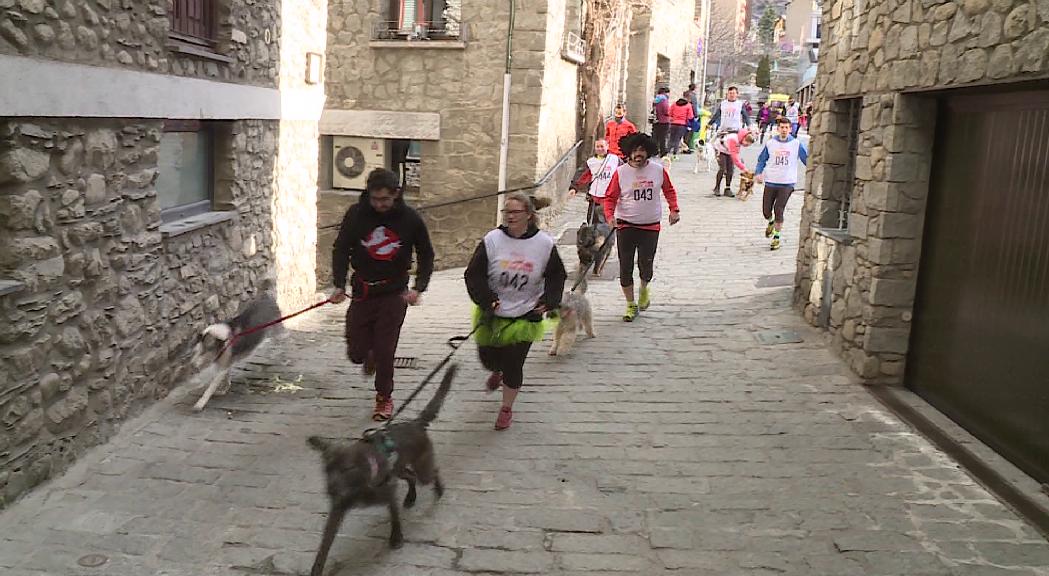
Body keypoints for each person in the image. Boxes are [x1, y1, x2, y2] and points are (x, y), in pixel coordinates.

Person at [331, 168, 435, 421]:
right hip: (363, 290)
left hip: (394, 292)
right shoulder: (356, 215)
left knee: (385, 348)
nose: (379, 205)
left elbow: (426, 253)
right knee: (355, 351)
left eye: (385, 200)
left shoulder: (410, 218)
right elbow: (341, 249)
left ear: (395, 194)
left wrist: (418, 287)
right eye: (375, 199)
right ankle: (368, 356)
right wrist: (337, 284)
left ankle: (383, 398)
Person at [465, 193, 567, 430]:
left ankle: (506, 408)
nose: (510, 216)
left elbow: (556, 275)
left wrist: (548, 300)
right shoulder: (492, 240)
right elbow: (473, 273)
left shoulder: (544, 244)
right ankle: (496, 371)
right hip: (493, 311)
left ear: (529, 216)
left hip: (525, 314)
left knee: (514, 364)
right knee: (488, 359)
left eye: (515, 212)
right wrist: (486, 299)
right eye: (506, 212)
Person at [603, 133, 681, 322]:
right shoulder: (621, 173)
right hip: (626, 225)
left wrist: (674, 209)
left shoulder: (658, 170)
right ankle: (630, 304)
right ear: (628, 153)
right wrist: (609, 216)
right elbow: (610, 197)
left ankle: (644, 288)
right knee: (625, 267)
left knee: (646, 265)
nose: (639, 154)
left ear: (648, 152)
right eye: (635, 150)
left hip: (650, 226)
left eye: (642, 150)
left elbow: (669, 190)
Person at [755, 117, 809, 250]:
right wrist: (758, 172)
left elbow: (807, 160)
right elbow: (762, 160)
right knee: (766, 211)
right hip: (771, 181)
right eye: (782, 127)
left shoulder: (796, 144)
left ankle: (776, 238)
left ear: (790, 129)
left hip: (787, 182)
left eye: (787, 128)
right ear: (777, 129)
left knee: (779, 210)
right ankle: (771, 222)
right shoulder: (771, 143)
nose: (784, 130)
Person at [712, 126, 755, 198]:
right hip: (719, 149)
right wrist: (743, 168)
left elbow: (736, 153)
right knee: (722, 168)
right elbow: (735, 157)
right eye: (746, 144)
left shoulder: (740, 139)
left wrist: (740, 162)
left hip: (728, 150)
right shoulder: (733, 139)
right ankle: (717, 187)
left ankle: (727, 188)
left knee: (730, 170)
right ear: (744, 139)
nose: (746, 146)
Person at [668, 92, 696, 159]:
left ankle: (667, 152)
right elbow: (690, 116)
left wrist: (674, 117)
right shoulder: (688, 105)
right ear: (688, 98)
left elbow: (669, 113)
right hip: (682, 124)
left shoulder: (674, 104)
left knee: (671, 138)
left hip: (673, 123)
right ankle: (675, 154)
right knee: (678, 139)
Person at [652, 86, 672, 157]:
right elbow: (666, 111)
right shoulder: (664, 100)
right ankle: (663, 152)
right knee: (663, 138)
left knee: (656, 137)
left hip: (656, 120)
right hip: (664, 121)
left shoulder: (656, 100)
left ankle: (654, 151)